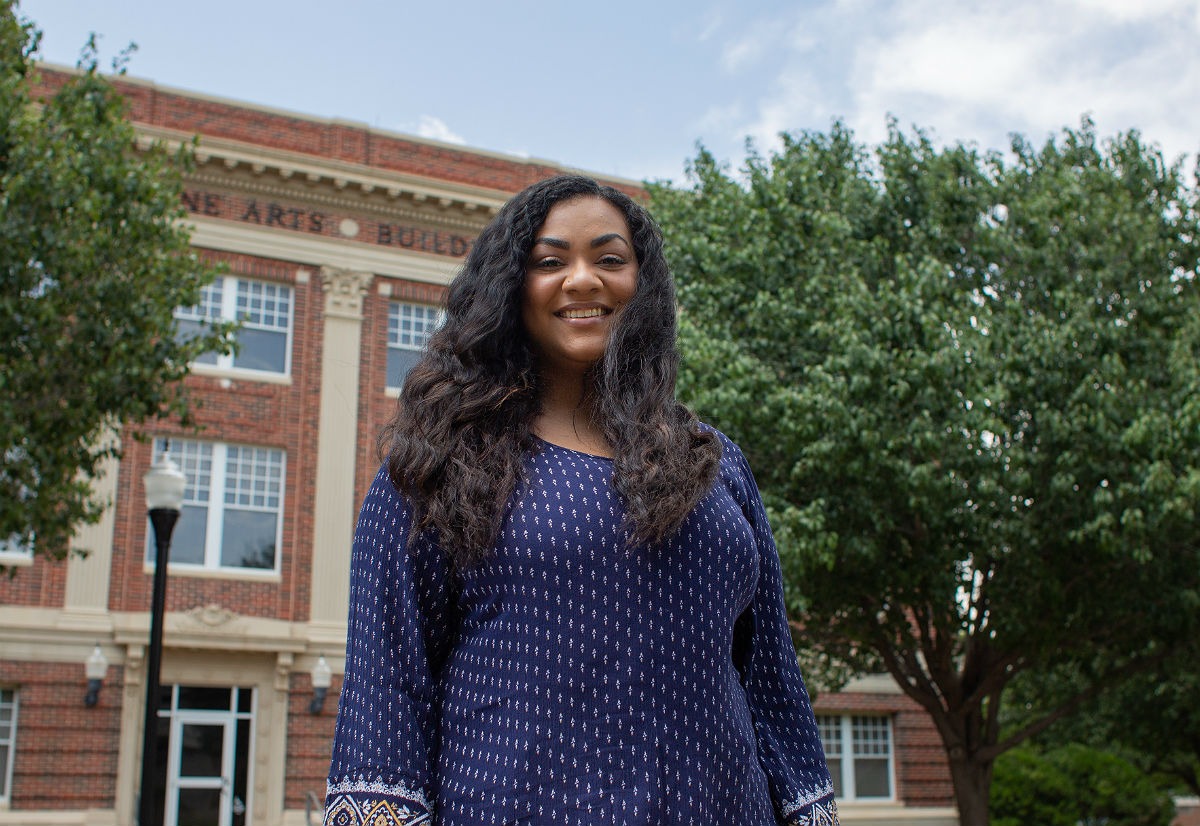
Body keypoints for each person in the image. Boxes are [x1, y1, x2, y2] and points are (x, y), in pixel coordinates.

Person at [323, 175, 838, 825]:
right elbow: (388, 688)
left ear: (643, 284)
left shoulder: (714, 460)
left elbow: (770, 678)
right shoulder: (438, 460)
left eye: (610, 258)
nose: (583, 279)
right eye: (550, 261)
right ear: (511, 287)